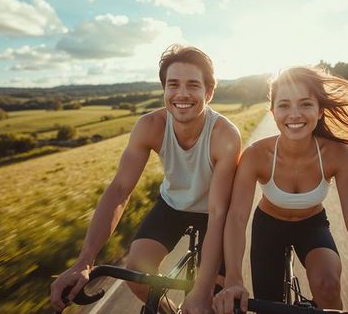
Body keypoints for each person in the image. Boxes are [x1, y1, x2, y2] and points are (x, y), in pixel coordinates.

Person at [50, 44, 241, 314]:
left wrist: (202, 290)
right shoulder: (149, 126)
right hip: (172, 205)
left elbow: (219, 211)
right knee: (138, 275)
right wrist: (85, 261)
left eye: (193, 85)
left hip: (215, 212)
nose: (182, 94)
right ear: (164, 89)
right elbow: (119, 190)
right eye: (173, 84)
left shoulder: (225, 135)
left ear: (208, 92)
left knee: (213, 301)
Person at [212, 66, 348, 314]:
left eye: (305, 104)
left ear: (320, 110)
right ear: (272, 112)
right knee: (270, 307)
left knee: (327, 285)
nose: (294, 114)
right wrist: (233, 280)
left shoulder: (338, 155)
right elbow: (237, 217)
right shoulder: (255, 155)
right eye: (283, 105)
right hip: (268, 229)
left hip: (312, 226)